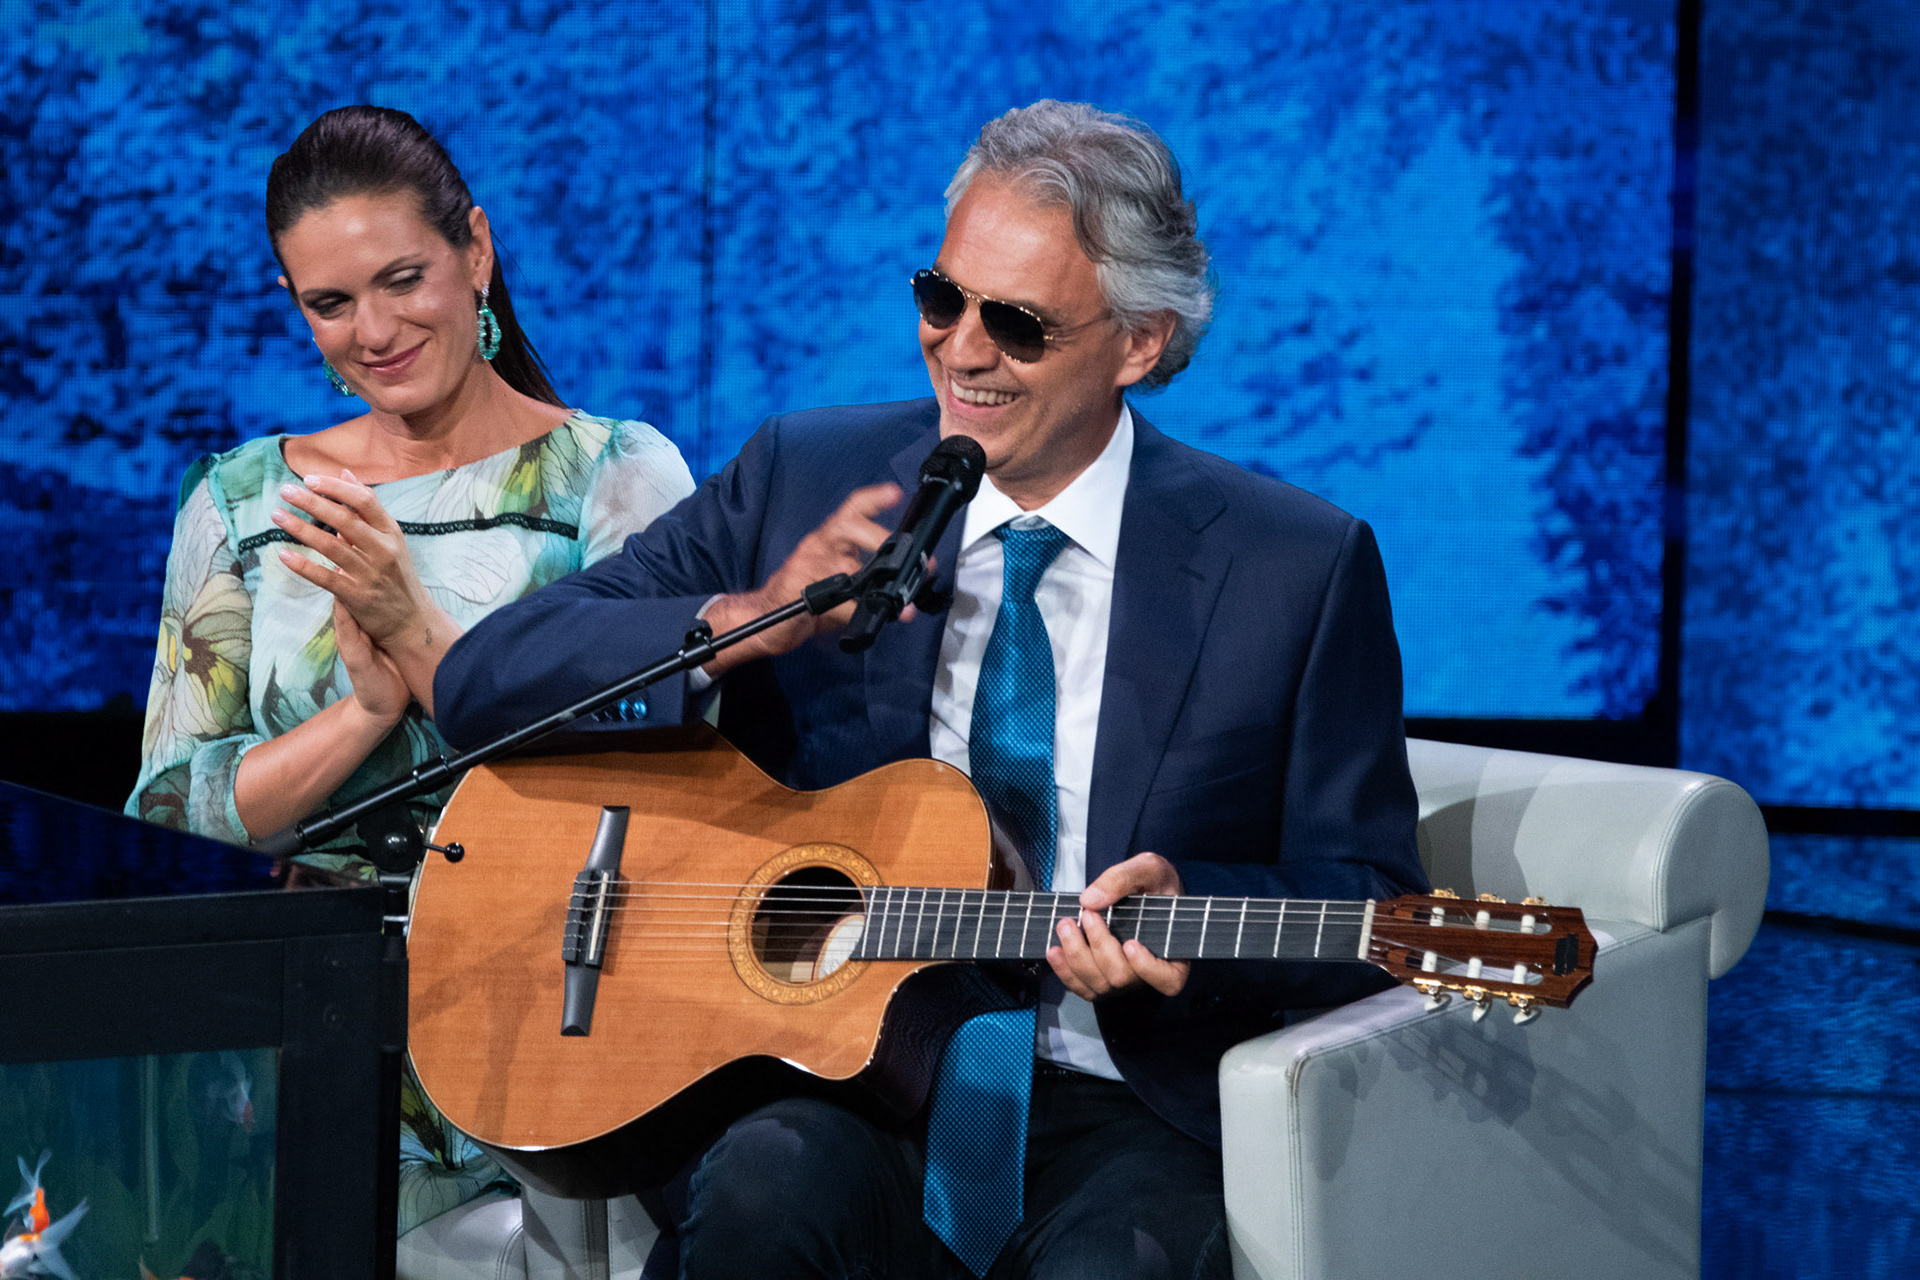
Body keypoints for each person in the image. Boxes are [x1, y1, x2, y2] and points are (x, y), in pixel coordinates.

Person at [436, 100, 1426, 1279]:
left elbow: (1371, 899)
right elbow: (481, 677)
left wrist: (1191, 913)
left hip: (1120, 1098)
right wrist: (738, 626)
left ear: (1140, 343)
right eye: (941, 297)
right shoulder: (809, 476)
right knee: (765, 1190)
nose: (961, 348)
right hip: (833, 1072)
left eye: (1016, 322)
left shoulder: (1294, 565)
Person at [125, 105, 694, 1232]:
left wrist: (414, 630)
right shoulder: (243, 502)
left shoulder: (612, 479)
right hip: (295, 1050)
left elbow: (661, 789)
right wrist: (363, 715)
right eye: (329, 303)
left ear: (475, 250)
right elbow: (166, 818)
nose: (371, 329)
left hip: (550, 1034)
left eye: (402, 279)